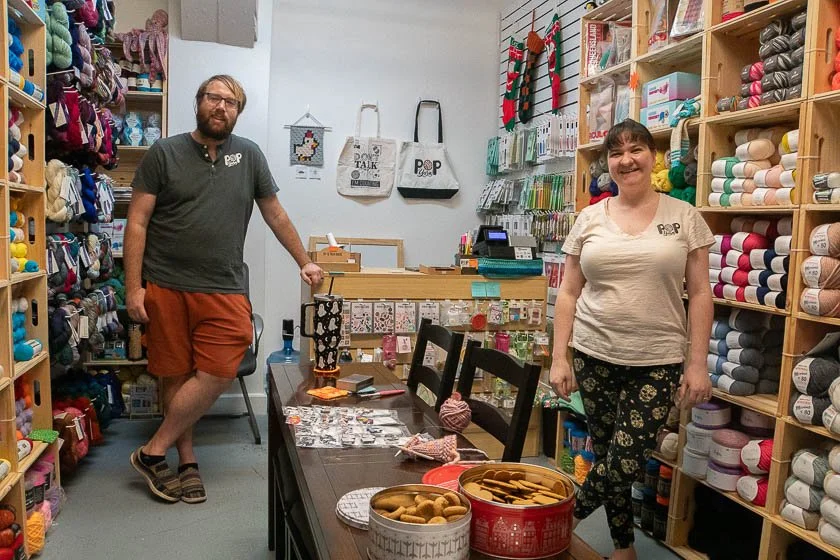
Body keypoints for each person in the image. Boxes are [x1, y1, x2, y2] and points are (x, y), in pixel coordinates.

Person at [125, 74, 323, 503]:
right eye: (214, 97)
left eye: (231, 102)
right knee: (177, 374)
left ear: (238, 112)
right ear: (198, 103)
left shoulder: (249, 156)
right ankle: (186, 460)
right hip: (167, 284)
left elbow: (275, 214)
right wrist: (133, 288)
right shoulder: (164, 152)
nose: (221, 106)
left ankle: (151, 451)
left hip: (224, 284)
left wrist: (304, 260)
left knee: (217, 369)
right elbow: (136, 222)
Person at [550, 119, 713, 560]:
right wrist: (559, 357)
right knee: (607, 452)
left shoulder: (685, 218)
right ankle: (624, 550)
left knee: (624, 458)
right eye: (616, 152)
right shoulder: (589, 218)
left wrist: (697, 363)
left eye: (636, 148)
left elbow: (700, 294)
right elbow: (568, 292)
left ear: (652, 155)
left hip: (657, 359)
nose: (626, 159)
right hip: (592, 352)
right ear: (608, 163)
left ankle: (557, 519)